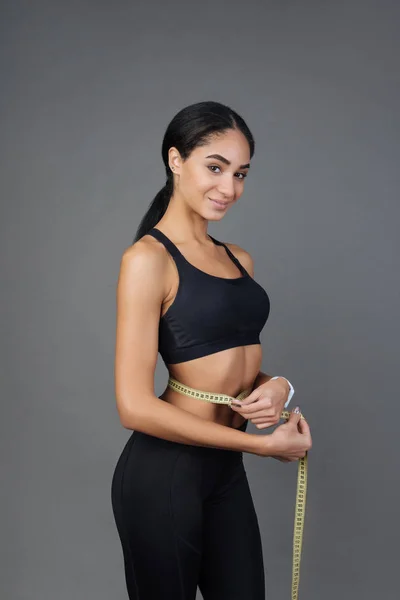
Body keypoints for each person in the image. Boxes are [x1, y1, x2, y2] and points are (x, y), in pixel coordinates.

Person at [110, 100, 312, 600]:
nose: (230, 188)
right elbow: (133, 406)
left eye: (241, 173)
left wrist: (280, 387)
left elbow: (230, 362)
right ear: (176, 160)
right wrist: (261, 445)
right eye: (215, 167)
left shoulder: (237, 258)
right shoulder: (147, 259)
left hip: (224, 475)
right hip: (164, 477)